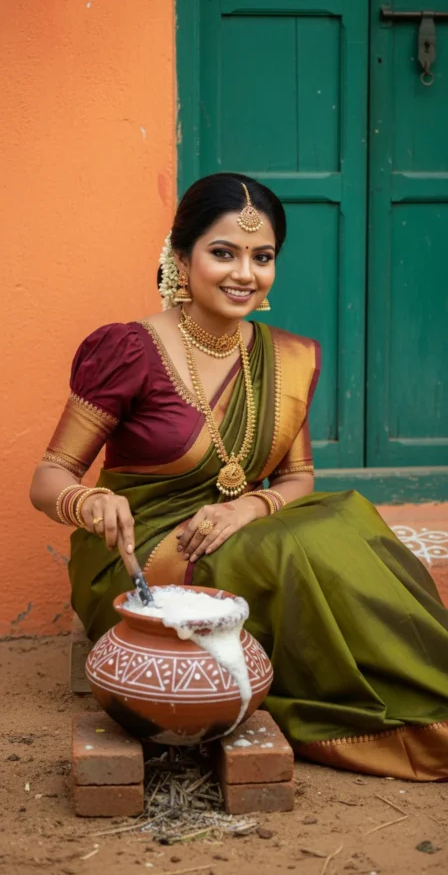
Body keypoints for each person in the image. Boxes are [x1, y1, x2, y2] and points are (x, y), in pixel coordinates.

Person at [30, 172, 448, 781]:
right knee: (292, 547)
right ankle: (410, 713)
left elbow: (298, 480)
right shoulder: (129, 350)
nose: (244, 274)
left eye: (262, 256)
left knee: (345, 518)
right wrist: (87, 501)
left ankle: (423, 690)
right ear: (181, 257)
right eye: (223, 252)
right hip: (141, 556)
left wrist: (245, 508)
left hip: (236, 529)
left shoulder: (284, 357)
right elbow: (48, 476)